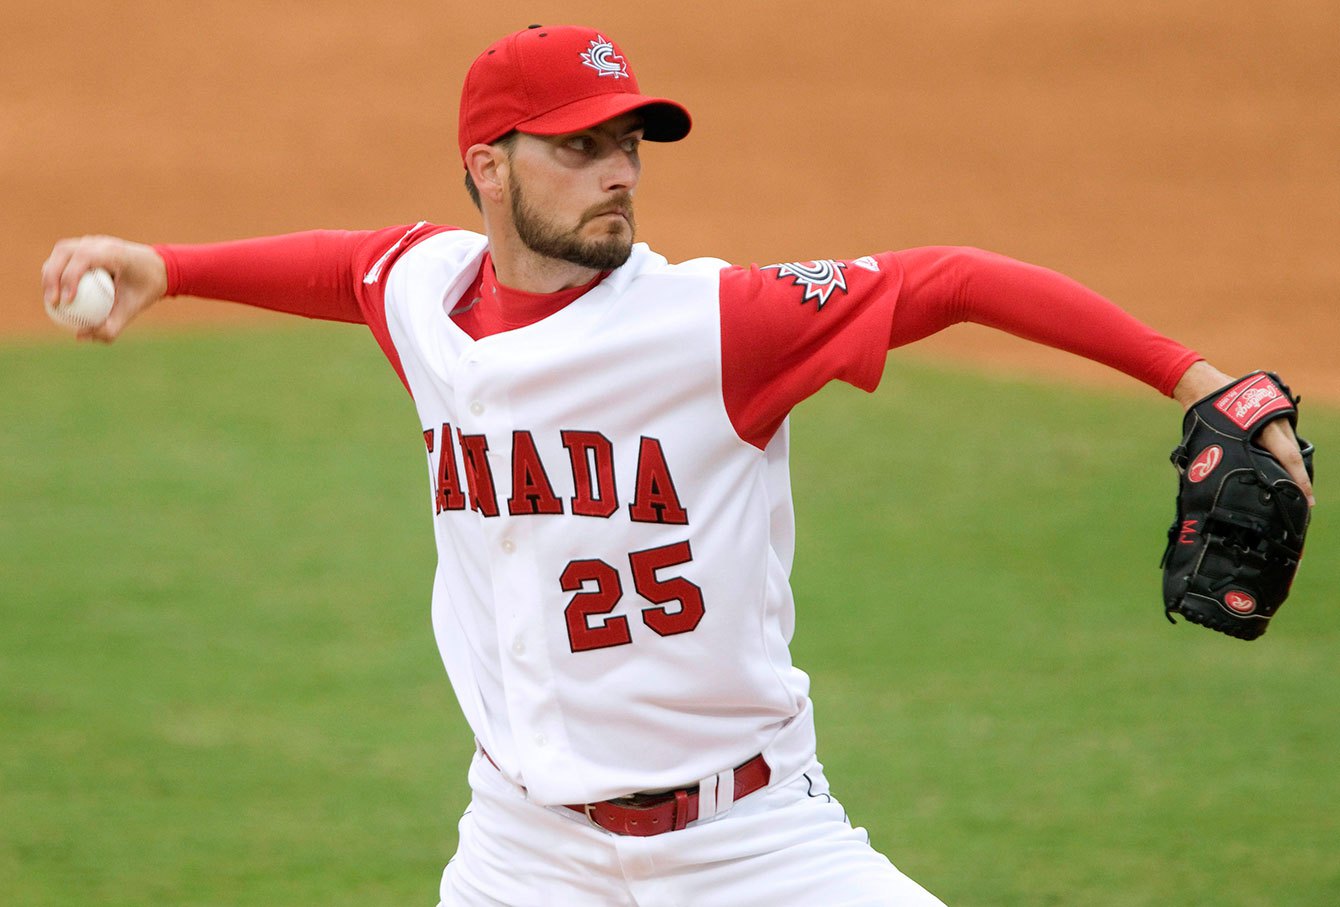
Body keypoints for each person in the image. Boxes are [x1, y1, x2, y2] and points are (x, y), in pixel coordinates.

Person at [41, 23, 1313, 907]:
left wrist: (1199, 382)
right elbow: (344, 268)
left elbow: (953, 280)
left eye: (628, 146)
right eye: (577, 148)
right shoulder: (426, 292)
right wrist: (171, 267)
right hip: (522, 853)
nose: (616, 175)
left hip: (751, 843)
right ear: (487, 167)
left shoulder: (713, 323)